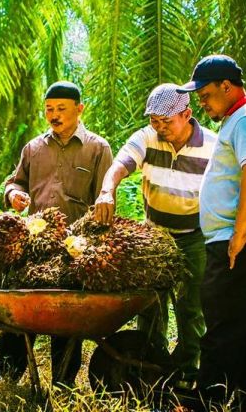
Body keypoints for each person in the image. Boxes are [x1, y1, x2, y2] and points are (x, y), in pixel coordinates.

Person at [94, 83, 217, 385]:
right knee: (150, 303)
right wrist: (107, 191)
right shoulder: (147, 138)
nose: (160, 128)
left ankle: (188, 372)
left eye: (167, 121)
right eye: (154, 121)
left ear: (187, 114)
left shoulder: (212, 146)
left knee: (191, 306)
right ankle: (151, 364)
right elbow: (119, 166)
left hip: (195, 235)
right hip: (156, 235)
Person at [178, 55, 246, 411]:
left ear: (227, 86)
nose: (201, 103)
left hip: (240, 240)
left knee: (222, 322)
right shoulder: (239, 119)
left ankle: (208, 400)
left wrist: (239, 233)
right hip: (241, 236)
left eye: (205, 94)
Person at [0, 81, 113, 387]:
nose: (54, 115)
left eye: (61, 109)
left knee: (66, 320)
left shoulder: (98, 149)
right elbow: (14, 183)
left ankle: (63, 385)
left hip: (73, 250)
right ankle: (5, 382)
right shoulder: (33, 148)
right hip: (32, 247)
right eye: (49, 109)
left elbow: (105, 201)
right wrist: (13, 195)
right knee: (20, 317)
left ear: (79, 109)